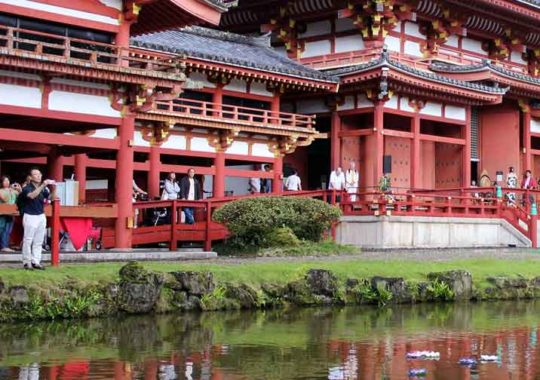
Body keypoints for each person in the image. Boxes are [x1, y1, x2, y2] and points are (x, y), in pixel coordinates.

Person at [20, 168, 56, 270]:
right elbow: (32, 196)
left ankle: (36, 261)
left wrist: (54, 188)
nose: (39, 176)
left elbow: (51, 198)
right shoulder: (27, 188)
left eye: (40, 174)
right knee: (28, 240)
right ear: (31, 177)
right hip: (30, 215)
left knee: (39, 240)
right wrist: (43, 185)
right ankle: (27, 262)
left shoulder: (44, 189)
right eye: (36, 175)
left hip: (40, 215)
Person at [0, 176, 21, 252]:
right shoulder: (1, 190)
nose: (7, 182)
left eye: (8, 180)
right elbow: (4, 199)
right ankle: (3, 246)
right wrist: (10, 191)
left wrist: (19, 189)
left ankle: (4, 245)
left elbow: (21, 198)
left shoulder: (13, 191)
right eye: (5, 181)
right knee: (1, 229)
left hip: (12, 212)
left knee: (8, 230)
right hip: (2, 213)